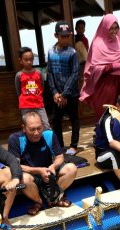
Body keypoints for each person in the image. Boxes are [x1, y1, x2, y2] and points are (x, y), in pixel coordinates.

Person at [8, 111, 77, 214]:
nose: (36, 133)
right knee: (24, 179)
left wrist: (54, 166)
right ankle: (39, 202)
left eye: (39, 128)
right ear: (23, 128)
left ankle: (54, 197)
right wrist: (38, 170)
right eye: (32, 129)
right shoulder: (15, 139)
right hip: (31, 175)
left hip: (49, 172)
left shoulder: (49, 134)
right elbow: (15, 165)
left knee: (72, 168)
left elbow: (59, 157)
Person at [79, 14, 120, 120]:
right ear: (104, 28)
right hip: (106, 84)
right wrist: (117, 66)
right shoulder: (97, 44)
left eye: (116, 28)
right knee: (106, 117)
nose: (114, 31)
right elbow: (94, 68)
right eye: (110, 28)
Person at [46, 21, 81, 155]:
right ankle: (59, 145)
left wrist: (65, 94)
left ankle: (74, 145)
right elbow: (49, 73)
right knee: (56, 120)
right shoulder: (50, 51)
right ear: (56, 35)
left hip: (70, 94)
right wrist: (55, 92)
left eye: (67, 36)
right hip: (57, 95)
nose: (65, 38)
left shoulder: (72, 52)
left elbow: (75, 74)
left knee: (74, 118)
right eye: (63, 36)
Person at [15, 47, 50, 130]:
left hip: (39, 104)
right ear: (20, 61)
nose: (29, 62)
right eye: (26, 60)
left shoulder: (38, 73)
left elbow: (42, 87)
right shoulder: (19, 75)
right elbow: (18, 91)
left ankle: (47, 142)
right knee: (28, 127)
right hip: (25, 106)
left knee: (46, 125)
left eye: (31, 59)